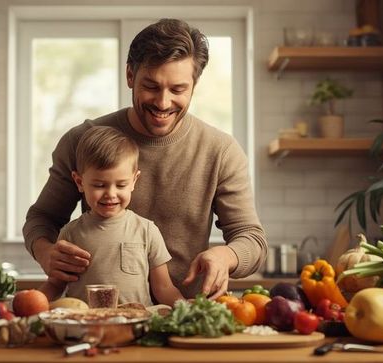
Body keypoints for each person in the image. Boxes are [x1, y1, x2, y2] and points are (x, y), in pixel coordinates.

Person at [24, 18, 267, 299]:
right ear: (130, 75)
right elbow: (42, 218)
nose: (163, 103)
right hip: (101, 317)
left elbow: (253, 240)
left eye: (178, 90)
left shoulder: (220, 151)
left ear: (194, 85)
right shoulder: (82, 141)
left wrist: (226, 256)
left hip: (180, 319)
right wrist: (45, 253)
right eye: (151, 86)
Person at [38, 126, 184, 306]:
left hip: (136, 325)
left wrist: (186, 307)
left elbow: (164, 289)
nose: (111, 194)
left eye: (121, 185)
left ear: (134, 181)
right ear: (79, 182)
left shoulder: (147, 230)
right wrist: (30, 304)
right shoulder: (70, 234)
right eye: (99, 185)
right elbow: (55, 284)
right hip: (86, 326)